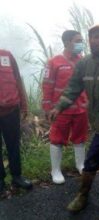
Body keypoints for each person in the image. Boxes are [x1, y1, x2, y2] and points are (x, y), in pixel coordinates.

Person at [48, 25, 99, 212]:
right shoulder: (84, 64)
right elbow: (73, 88)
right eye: (96, 37)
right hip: (95, 116)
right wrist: (59, 106)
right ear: (89, 39)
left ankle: (83, 194)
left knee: (93, 158)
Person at [42, 30, 88, 184]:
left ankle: (80, 165)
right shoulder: (54, 62)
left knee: (80, 138)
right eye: (78, 40)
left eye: (81, 40)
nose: (81, 44)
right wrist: (47, 108)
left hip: (81, 108)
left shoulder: (82, 61)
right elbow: (47, 85)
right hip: (60, 110)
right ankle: (55, 170)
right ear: (67, 42)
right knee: (57, 139)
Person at [0, 49, 33, 193]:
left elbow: (18, 79)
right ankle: (0, 181)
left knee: (13, 145)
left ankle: (17, 176)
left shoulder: (6, 55)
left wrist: (24, 105)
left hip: (11, 110)